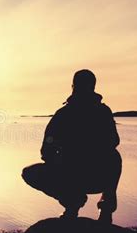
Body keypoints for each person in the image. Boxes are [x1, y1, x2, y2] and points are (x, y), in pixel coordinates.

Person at [22, 69, 122, 224]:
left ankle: (95, 208)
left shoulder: (93, 113)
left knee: (114, 157)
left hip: (93, 176)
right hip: (73, 174)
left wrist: (59, 158)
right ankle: (74, 204)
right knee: (29, 173)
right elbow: (47, 147)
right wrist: (57, 160)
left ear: (73, 86)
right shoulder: (68, 114)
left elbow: (113, 141)